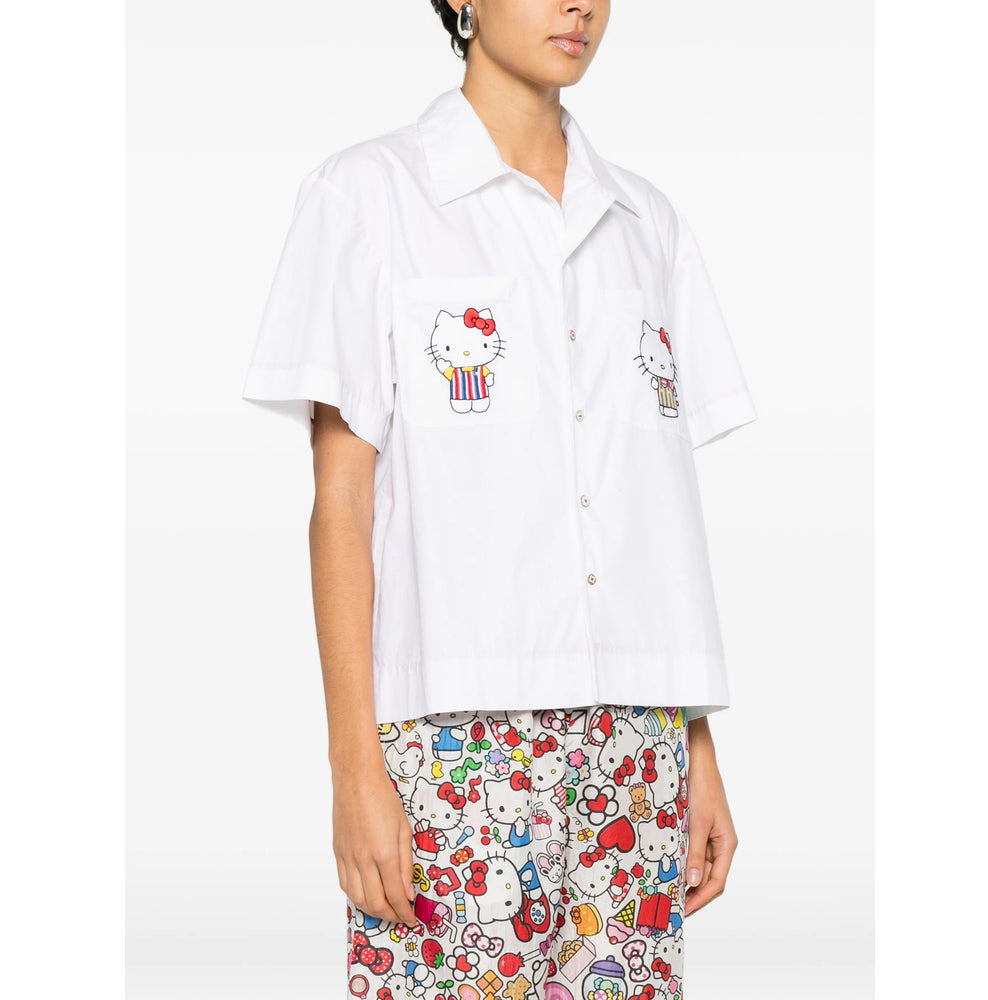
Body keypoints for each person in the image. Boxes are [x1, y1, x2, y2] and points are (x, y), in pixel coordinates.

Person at [242, 3, 758, 997]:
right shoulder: (369, 197)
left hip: (637, 743)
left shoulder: (644, 222)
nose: (580, 5)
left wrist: (696, 745)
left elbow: (652, 515)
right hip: (455, 739)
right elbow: (341, 502)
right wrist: (353, 767)